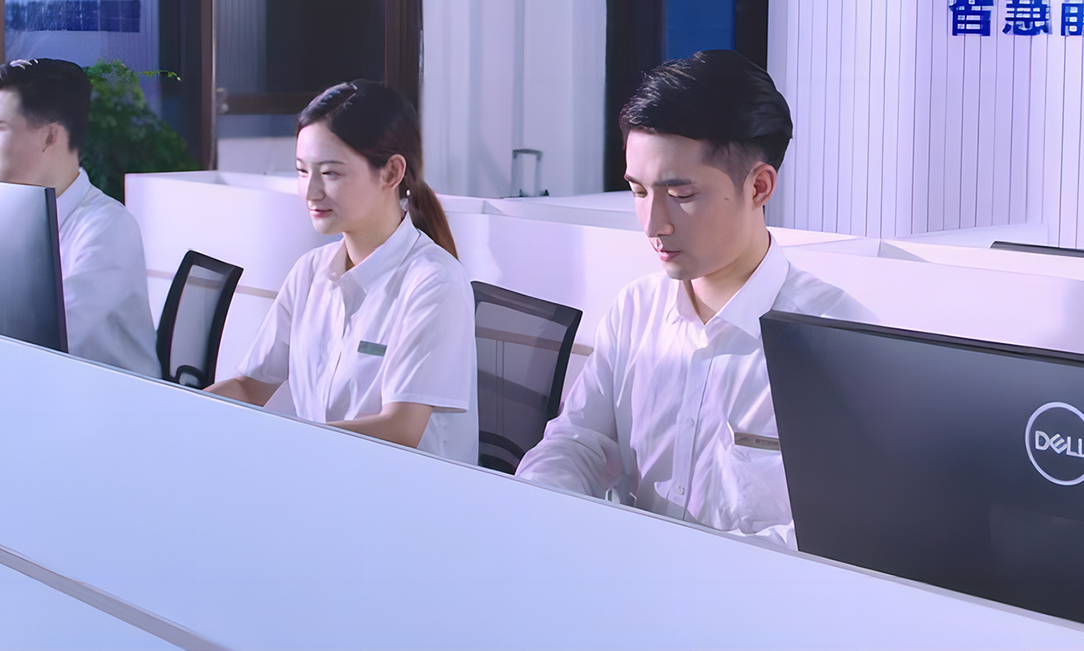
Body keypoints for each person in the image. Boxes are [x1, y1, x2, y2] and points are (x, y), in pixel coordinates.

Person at [516, 50, 873, 548]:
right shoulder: (636, 310)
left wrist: (687, 567)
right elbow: (579, 442)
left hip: (751, 593)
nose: (652, 224)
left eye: (680, 195)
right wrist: (539, 504)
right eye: (639, 192)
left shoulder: (834, 338)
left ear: (759, 186)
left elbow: (841, 532)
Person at [205, 80, 478, 463]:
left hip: (402, 490)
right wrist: (177, 409)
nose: (310, 192)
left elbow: (400, 429)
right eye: (302, 171)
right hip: (322, 473)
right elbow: (250, 388)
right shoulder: (309, 272)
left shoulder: (435, 283)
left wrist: (283, 445)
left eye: (330, 173)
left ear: (391, 172)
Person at [0, 58, 158, 377]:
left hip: (112, 401)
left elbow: (49, 334)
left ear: (50, 136)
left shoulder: (108, 228)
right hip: (44, 387)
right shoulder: (10, 219)